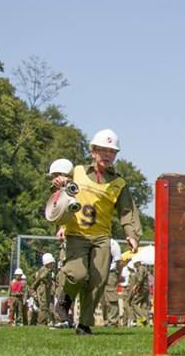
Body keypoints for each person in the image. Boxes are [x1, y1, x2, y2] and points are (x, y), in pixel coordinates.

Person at [52, 129, 141, 335]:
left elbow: (127, 211)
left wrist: (132, 235)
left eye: (112, 152)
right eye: (103, 150)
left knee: (98, 281)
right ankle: (64, 299)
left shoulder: (119, 183)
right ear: (93, 151)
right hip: (76, 233)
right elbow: (59, 197)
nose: (107, 155)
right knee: (77, 274)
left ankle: (84, 324)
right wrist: (58, 184)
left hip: (102, 237)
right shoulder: (78, 171)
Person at [100, 239, 123, 327]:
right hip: (99, 273)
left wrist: (118, 275)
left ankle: (113, 321)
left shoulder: (113, 243)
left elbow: (119, 262)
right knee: (102, 299)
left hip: (110, 273)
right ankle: (106, 320)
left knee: (111, 297)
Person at [32, 252, 56, 325]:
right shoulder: (45, 269)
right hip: (44, 290)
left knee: (47, 307)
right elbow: (42, 277)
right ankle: (41, 323)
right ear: (48, 263)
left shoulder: (45, 269)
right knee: (44, 307)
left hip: (46, 290)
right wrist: (47, 282)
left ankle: (45, 322)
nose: (52, 265)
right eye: (51, 263)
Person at [129, 260, 150, 326]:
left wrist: (136, 285)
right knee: (144, 305)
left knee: (133, 303)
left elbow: (140, 278)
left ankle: (142, 317)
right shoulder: (145, 268)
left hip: (142, 288)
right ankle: (146, 323)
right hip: (146, 288)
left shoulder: (140, 268)